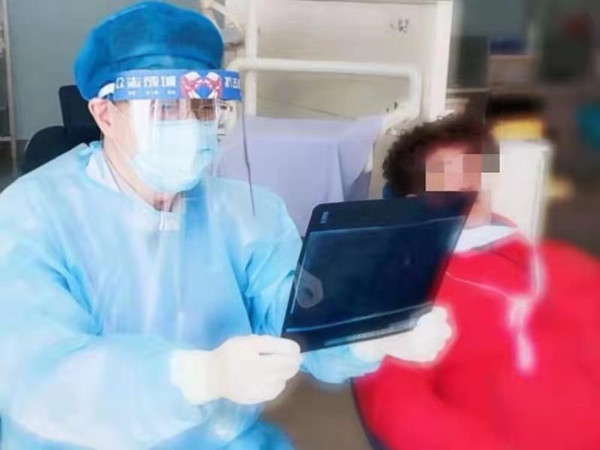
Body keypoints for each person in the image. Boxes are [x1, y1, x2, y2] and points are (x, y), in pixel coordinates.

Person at [0, 3, 453, 449]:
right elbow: (37, 373)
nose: (189, 125)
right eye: (165, 108)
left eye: (203, 108)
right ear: (105, 115)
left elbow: (292, 313)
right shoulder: (32, 216)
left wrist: (366, 335)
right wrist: (195, 377)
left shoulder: (246, 211)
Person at [354, 114, 600, 450]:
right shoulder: (398, 286)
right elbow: (398, 410)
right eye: (448, 176)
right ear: (415, 203)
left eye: (473, 169)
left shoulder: (556, 261)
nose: (467, 184)